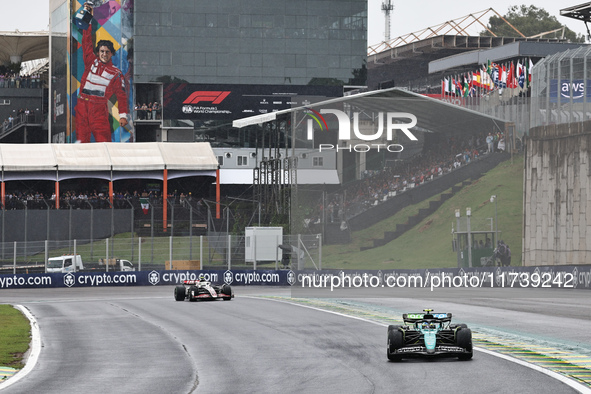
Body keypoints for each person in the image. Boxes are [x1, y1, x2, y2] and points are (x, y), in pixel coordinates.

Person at [74, 3, 128, 143]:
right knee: (81, 143)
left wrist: (123, 116)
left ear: (111, 54)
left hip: (99, 109)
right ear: (98, 52)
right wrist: (89, 18)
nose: (104, 54)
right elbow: (86, 42)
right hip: (82, 106)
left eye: (107, 52)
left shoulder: (116, 73)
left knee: (104, 143)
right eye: (102, 51)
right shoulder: (91, 61)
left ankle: (107, 165)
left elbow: (121, 96)